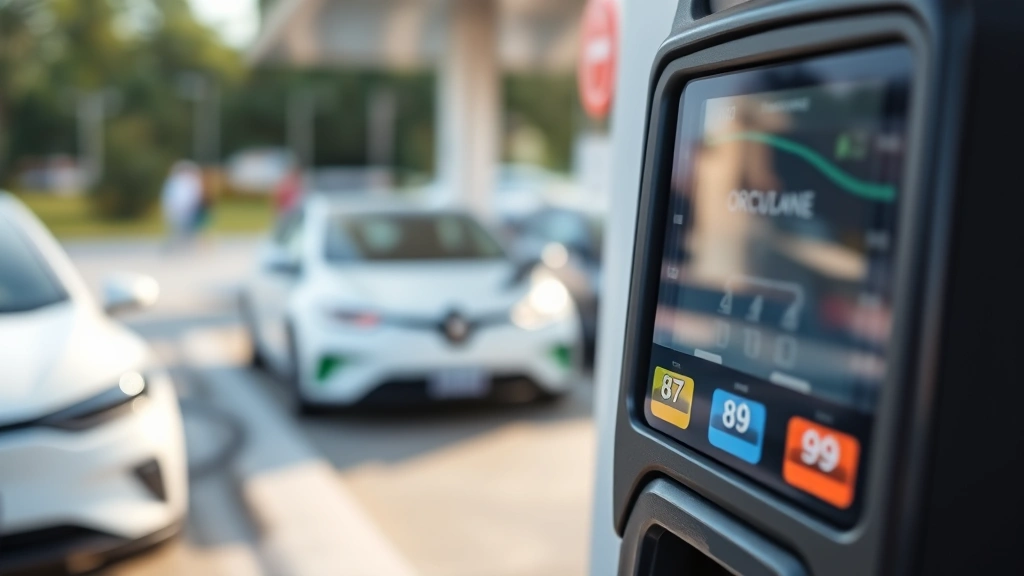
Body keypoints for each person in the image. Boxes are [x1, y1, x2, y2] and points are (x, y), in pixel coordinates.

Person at [160, 160, 202, 251]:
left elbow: (195, 196)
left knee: (188, 229)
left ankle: (187, 246)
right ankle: (176, 246)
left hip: (188, 209)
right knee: (176, 229)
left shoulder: (192, 181)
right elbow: (169, 197)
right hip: (176, 209)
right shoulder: (174, 181)